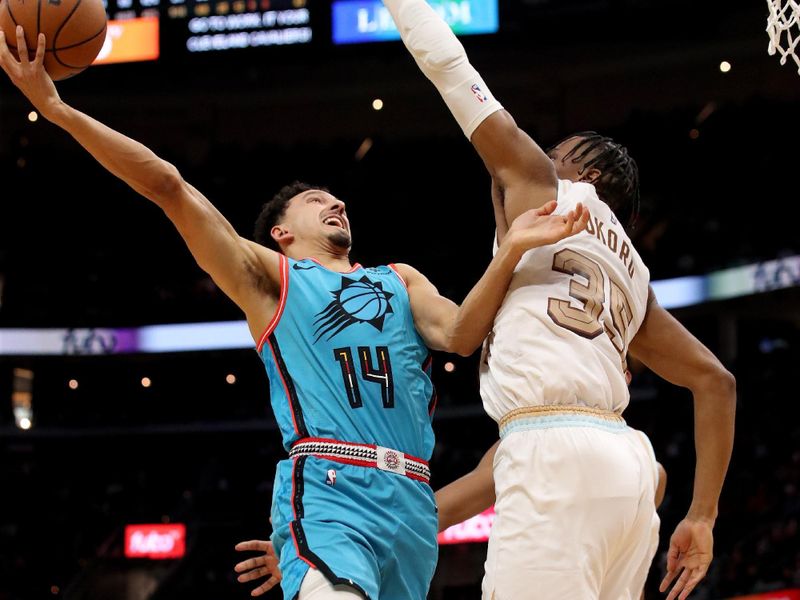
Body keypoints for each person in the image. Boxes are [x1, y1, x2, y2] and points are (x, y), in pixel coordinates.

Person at [0, 27, 590, 600]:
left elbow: (462, 335)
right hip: (330, 485)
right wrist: (56, 108)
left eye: (337, 198)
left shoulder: (400, 279)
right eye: (316, 201)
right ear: (281, 233)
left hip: (412, 500)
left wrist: (512, 246)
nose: (336, 202)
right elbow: (168, 187)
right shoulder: (271, 282)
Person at [380, 1, 737, 599]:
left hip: (554, 454)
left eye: (555, 153)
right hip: (627, 463)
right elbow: (716, 382)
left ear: (585, 176)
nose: (540, 157)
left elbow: (448, 64)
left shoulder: (546, 191)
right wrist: (702, 515)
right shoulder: (635, 276)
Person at [233, 439, 669, 597]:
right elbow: (434, 513)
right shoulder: (648, 466)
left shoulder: (530, 442)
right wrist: (316, 548)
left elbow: (435, 514)